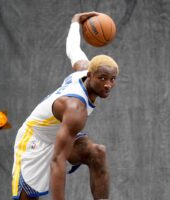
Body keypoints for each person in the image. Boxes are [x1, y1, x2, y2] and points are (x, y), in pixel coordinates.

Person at [11, 11, 119, 200]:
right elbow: (57, 162)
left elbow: (73, 48)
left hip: (62, 133)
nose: (108, 84)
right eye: (102, 78)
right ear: (91, 75)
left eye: (112, 79)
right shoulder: (76, 109)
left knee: (97, 153)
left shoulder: (84, 69)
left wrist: (75, 22)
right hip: (35, 139)